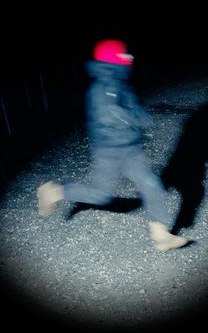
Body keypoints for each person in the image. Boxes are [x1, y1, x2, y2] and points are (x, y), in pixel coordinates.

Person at [37, 39, 188, 251]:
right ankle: (54, 191)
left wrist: (140, 116)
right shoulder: (103, 87)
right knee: (101, 195)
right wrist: (136, 119)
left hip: (131, 148)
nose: (130, 58)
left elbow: (129, 107)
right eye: (125, 55)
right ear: (113, 60)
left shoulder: (119, 82)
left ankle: (161, 235)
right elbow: (108, 115)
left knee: (152, 185)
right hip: (109, 151)